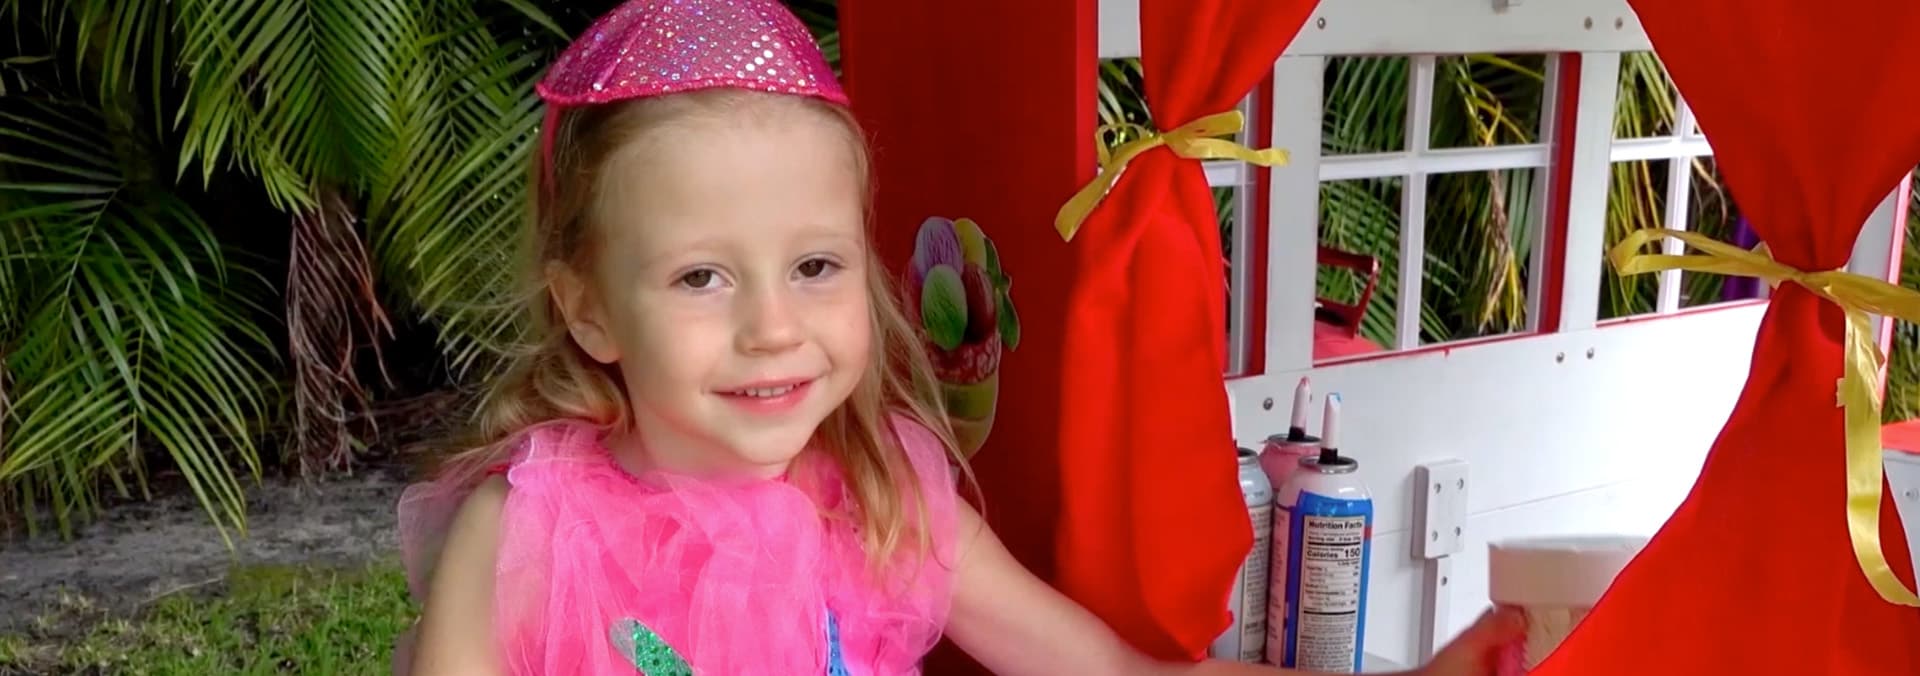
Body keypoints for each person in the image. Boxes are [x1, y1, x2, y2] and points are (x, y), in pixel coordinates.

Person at [395, 0, 1525, 673]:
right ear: (588, 308)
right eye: (701, 276)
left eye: (815, 266)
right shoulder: (527, 532)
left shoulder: (885, 500)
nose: (773, 328)